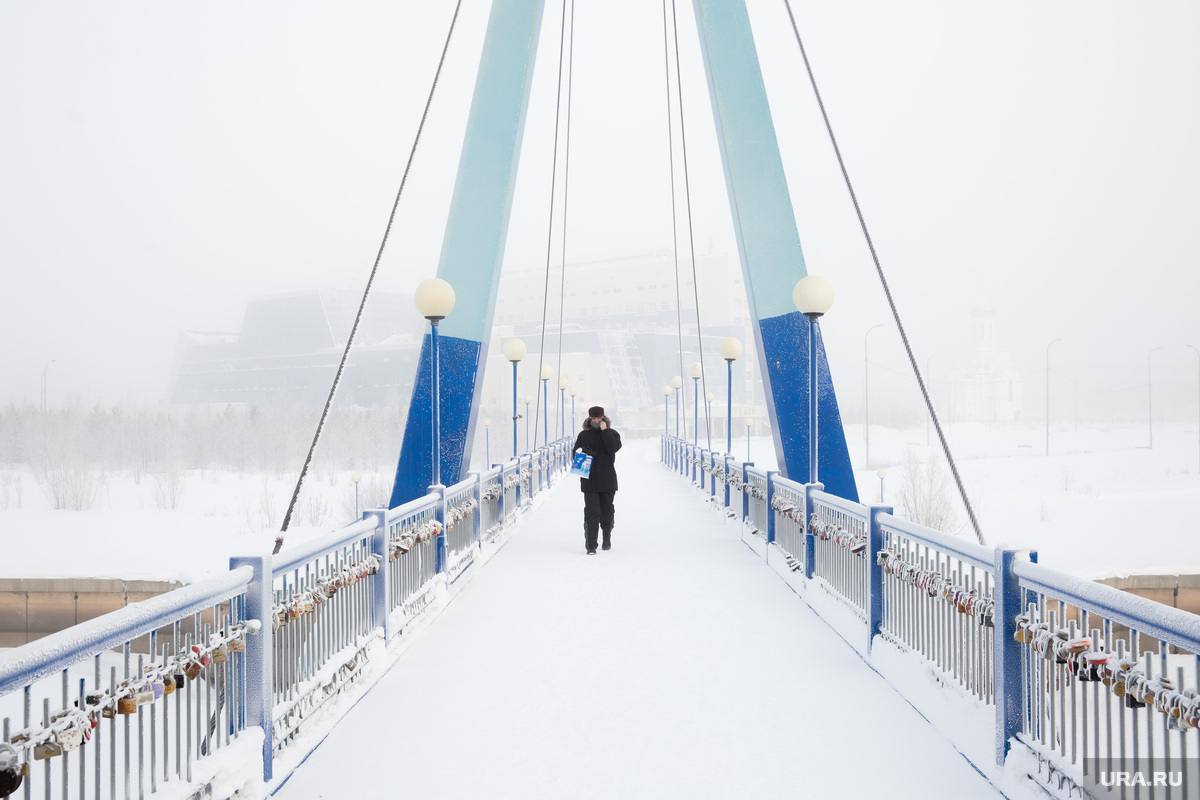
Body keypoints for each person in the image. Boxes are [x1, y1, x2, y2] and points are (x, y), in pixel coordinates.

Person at [573, 406, 622, 555]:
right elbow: (575, 455)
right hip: (590, 481)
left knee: (607, 512)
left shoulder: (612, 434)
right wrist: (585, 453)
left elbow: (613, 448)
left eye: (598, 418)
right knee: (592, 512)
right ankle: (591, 545)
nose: (595, 421)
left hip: (608, 480)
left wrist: (605, 431)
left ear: (603, 418)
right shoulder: (583, 435)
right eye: (593, 418)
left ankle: (606, 537)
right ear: (589, 418)